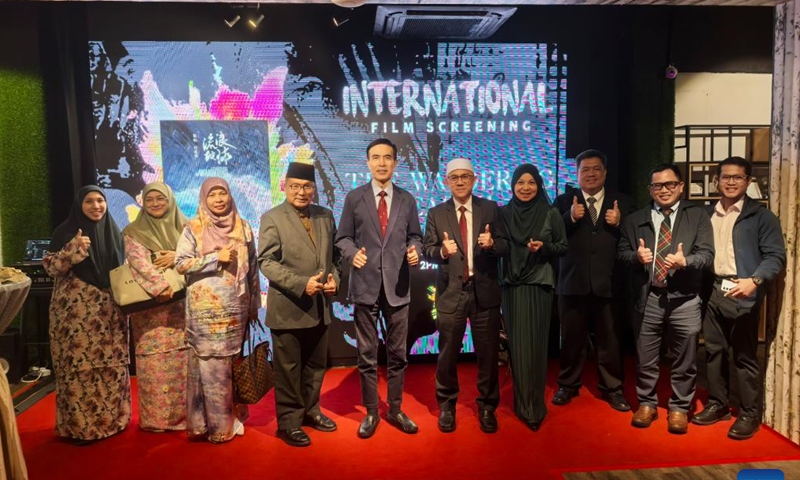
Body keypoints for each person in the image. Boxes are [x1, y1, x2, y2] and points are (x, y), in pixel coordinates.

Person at [335, 138, 424, 439]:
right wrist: (352, 254)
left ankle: (396, 409)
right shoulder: (354, 198)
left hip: (398, 288)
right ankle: (372, 412)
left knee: (398, 355)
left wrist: (415, 250)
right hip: (365, 286)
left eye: (387, 157)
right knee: (367, 355)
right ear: (368, 162)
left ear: (396, 163)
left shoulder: (407, 199)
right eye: (376, 157)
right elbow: (342, 238)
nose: (382, 162)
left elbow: (416, 237)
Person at [692, 156, 785, 440]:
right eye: (725, 177)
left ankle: (749, 413)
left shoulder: (761, 216)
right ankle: (718, 404)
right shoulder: (705, 214)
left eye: (738, 177)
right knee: (713, 352)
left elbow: (775, 256)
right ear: (716, 181)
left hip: (743, 291)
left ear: (748, 181)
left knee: (744, 356)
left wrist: (755, 281)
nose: (731, 182)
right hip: (712, 291)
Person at [618, 164, 714, 434]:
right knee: (646, 357)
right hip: (648, 297)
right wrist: (636, 258)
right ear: (650, 189)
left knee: (685, 357)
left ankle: (680, 407)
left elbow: (707, 254)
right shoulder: (634, 219)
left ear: (681, 186)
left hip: (685, 299)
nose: (664, 190)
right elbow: (622, 253)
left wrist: (687, 262)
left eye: (670, 184)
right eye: (657, 186)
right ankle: (646, 403)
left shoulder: (697, 216)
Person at [423, 158, 509, 434]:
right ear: (446, 182)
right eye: (454, 177)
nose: (460, 181)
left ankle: (486, 405)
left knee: (488, 353)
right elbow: (427, 250)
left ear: (474, 179)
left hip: (484, 291)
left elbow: (507, 245)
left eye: (465, 176)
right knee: (447, 354)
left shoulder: (490, 209)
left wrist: (493, 244)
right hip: (451, 294)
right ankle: (447, 404)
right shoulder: (436, 213)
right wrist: (442, 253)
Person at [258, 162, 341, 447]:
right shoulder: (272, 217)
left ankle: (311, 411)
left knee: (316, 366)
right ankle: (289, 423)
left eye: (306, 186)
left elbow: (336, 258)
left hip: (320, 308)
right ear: (284, 186)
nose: (301, 192)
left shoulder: (326, 216)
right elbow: (266, 262)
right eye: (295, 186)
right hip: (288, 307)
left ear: (314, 188)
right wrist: (299, 283)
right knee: (289, 369)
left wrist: (335, 281)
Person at [175, 177, 259, 443]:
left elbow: (253, 268)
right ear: (204, 199)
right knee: (208, 366)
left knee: (230, 365)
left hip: (235, 310)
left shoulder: (243, 228)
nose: (219, 199)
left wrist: (255, 303)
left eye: (223, 193)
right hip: (204, 312)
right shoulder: (193, 228)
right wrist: (215, 258)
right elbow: (180, 264)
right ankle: (211, 427)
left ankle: (226, 420)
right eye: (213, 195)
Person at [44, 185, 130, 445]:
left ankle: (114, 422)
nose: (96, 206)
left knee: (112, 368)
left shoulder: (114, 233)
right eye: (89, 201)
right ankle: (81, 428)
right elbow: (50, 267)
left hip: (110, 315)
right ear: (79, 205)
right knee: (79, 370)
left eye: (100, 200)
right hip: (75, 320)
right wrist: (72, 250)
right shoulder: (66, 232)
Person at [552, 149, 634, 411]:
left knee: (610, 340)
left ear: (605, 172)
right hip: (572, 283)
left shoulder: (623, 202)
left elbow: (636, 238)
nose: (590, 174)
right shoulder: (563, 202)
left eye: (596, 168)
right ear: (576, 174)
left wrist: (621, 223)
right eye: (584, 169)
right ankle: (568, 385)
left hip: (609, 284)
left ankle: (613, 389)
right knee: (572, 339)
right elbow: (551, 236)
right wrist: (569, 219)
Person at [498, 164, 568, 431]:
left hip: (539, 286)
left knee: (537, 347)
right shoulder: (503, 213)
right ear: (512, 185)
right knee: (517, 347)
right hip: (511, 288)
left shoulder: (551, 214)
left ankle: (535, 406)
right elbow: (498, 246)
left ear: (539, 185)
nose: (525, 187)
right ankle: (522, 402)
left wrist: (544, 247)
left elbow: (562, 246)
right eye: (520, 183)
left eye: (531, 182)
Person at [122, 182, 189, 432]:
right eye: (149, 200)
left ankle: (183, 415)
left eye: (160, 199)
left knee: (182, 361)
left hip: (181, 308)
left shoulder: (186, 226)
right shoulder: (133, 231)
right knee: (153, 363)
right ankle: (156, 420)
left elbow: (197, 255)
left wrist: (175, 255)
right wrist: (160, 286)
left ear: (170, 199)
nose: (155, 204)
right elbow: (139, 263)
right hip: (151, 308)